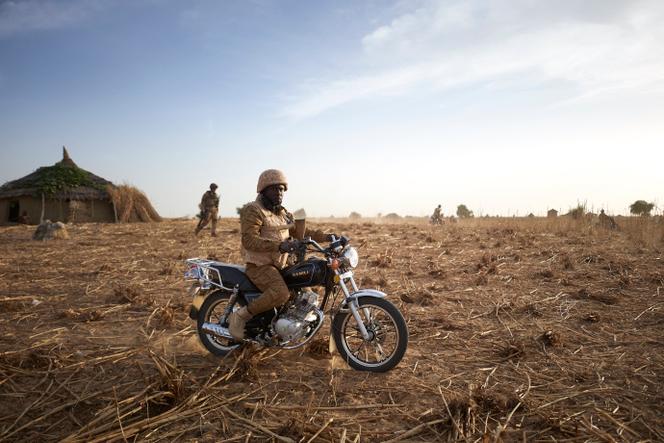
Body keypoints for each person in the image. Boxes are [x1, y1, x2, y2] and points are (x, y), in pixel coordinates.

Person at [228, 169, 334, 340]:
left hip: (282, 265)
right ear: (263, 190)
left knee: (308, 296)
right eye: (274, 189)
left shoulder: (283, 214)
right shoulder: (253, 210)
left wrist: (328, 237)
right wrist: (281, 245)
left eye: (281, 189)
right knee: (281, 293)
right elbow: (249, 240)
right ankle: (240, 316)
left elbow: (303, 233)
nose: (279, 193)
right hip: (259, 266)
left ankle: (286, 329)